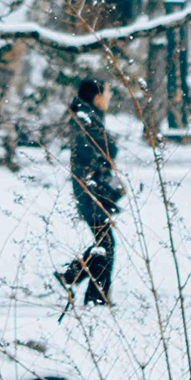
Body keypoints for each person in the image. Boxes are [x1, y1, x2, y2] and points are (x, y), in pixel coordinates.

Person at [55, 77, 121, 307]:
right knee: (106, 245)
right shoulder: (86, 119)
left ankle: (72, 277)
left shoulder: (88, 117)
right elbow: (100, 149)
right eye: (107, 92)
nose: (109, 98)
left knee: (105, 243)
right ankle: (95, 297)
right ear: (96, 96)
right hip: (91, 191)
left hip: (93, 190)